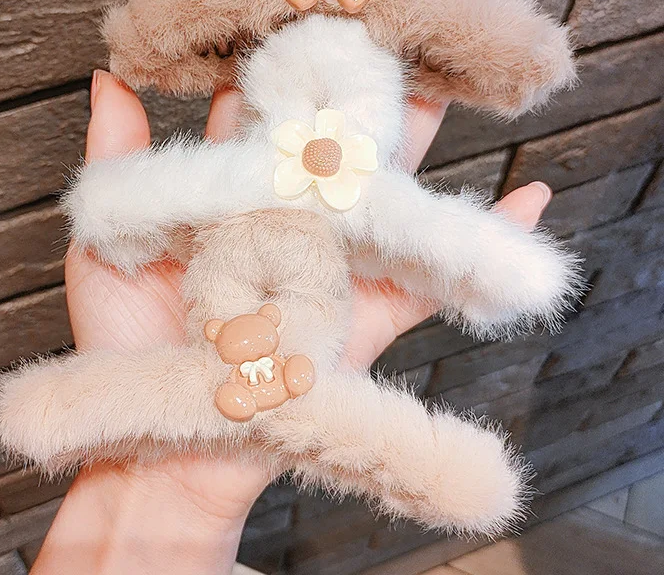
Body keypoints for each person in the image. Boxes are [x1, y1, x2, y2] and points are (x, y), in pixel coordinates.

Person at [31, 70, 553, 574]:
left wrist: (497, 267)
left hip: (274, 348)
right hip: (235, 338)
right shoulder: (246, 178)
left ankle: (266, 386)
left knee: (296, 375)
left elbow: (118, 206)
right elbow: (120, 208)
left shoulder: (311, 189)